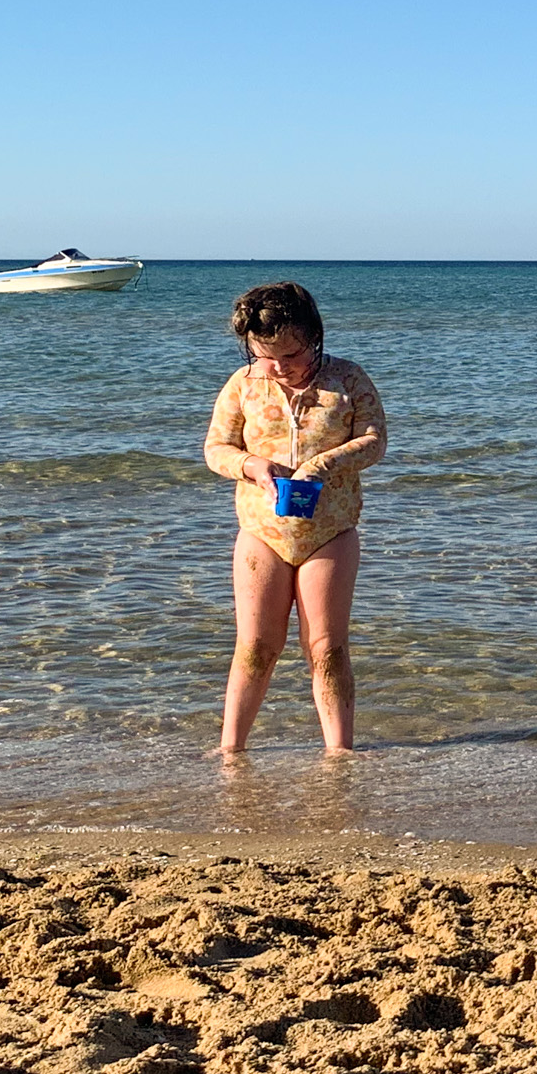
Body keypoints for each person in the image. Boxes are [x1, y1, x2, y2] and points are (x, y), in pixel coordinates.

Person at [202, 281, 387, 757]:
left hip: (330, 531)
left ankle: (340, 754)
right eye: (268, 357)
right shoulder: (243, 384)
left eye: (292, 355)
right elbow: (216, 449)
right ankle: (230, 751)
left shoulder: (347, 381)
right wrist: (252, 466)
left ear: (314, 336)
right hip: (261, 532)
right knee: (256, 645)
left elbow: (374, 441)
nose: (281, 368)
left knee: (326, 647)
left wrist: (325, 463)